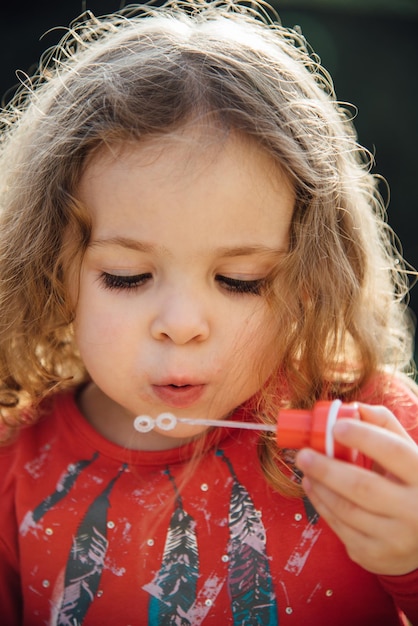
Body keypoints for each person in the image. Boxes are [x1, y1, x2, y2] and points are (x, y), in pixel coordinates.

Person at [0, 1, 417, 624]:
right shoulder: (16, 464)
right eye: (127, 276)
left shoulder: (375, 441)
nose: (183, 323)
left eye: (240, 281)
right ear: (53, 271)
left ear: (309, 279)